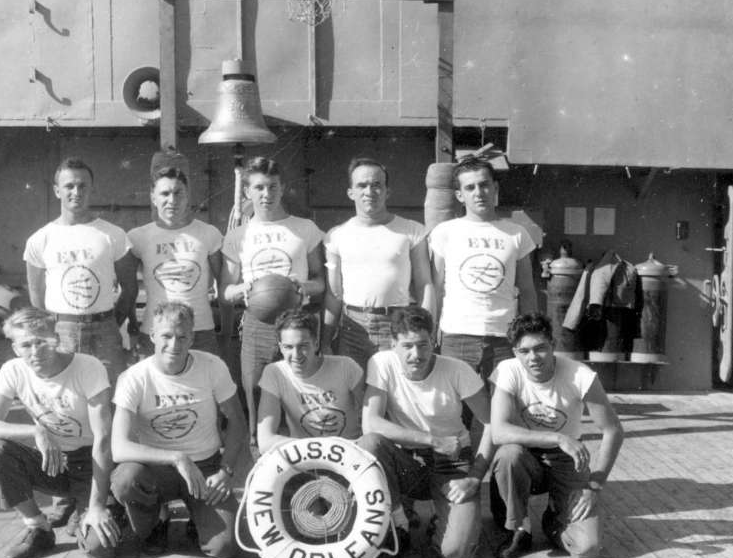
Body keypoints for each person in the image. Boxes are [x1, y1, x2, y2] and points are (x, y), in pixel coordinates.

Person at [23, 157, 133, 526]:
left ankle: (110, 492)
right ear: (56, 190)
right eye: (68, 185)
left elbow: (129, 288)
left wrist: (107, 322)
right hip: (62, 331)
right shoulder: (40, 240)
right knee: (63, 408)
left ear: (91, 188)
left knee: (109, 408)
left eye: (82, 185)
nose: (76, 192)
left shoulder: (112, 234)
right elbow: (37, 299)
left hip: (104, 329)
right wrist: (58, 330)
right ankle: (64, 494)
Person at [0, 308, 120, 558]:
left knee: (99, 549)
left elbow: (103, 439)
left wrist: (96, 507)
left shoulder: (88, 367)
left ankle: (89, 507)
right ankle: (38, 527)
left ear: (56, 338)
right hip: (56, 462)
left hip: (92, 462)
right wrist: (35, 430)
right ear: (15, 347)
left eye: (41, 342)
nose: (34, 352)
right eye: (26, 344)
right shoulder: (14, 370)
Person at [110, 302, 246, 558]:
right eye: (167, 336)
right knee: (126, 479)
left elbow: (238, 423)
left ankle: (198, 521)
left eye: (182, 337)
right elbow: (119, 447)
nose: (174, 344)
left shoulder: (212, 366)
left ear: (192, 337)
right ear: (152, 336)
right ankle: (155, 523)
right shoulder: (134, 377)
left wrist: (226, 471)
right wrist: (176, 457)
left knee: (225, 548)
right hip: (156, 469)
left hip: (204, 467)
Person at [359, 306, 495, 558]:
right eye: (407, 346)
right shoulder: (381, 362)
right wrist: (433, 440)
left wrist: (475, 478)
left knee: (457, 553)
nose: (416, 354)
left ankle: (440, 520)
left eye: (423, 345)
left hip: (451, 463)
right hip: (407, 462)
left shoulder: (458, 370)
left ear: (434, 341)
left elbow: (491, 424)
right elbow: (371, 424)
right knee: (370, 444)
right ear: (393, 344)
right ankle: (399, 520)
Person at [490, 313, 624, 558]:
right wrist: (558, 438)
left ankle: (554, 520)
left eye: (540, 348)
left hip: (567, 460)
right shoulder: (507, 371)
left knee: (588, 548)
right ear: (515, 352)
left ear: (552, 344)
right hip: (526, 455)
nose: (533, 358)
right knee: (508, 454)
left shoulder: (580, 375)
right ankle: (519, 528)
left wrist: (595, 485)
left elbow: (613, 430)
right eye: (524, 351)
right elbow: (499, 431)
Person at [220, 156, 325, 441]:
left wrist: (301, 286)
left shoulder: (305, 229)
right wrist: (246, 289)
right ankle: (260, 456)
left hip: (299, 322)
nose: (266, 194)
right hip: (257, 323)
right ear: (247, 193)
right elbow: (225, 291)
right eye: (259, 188)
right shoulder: (237, 235)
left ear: (282, 188)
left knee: (304, 393)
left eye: (273, 187)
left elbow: (320, 282)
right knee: (257, 397)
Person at [430, 157, 538, 382]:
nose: (478, 192)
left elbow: (527, 290)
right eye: (470, 187)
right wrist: (431, 331)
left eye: (484, 184)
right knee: (456, 409)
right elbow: (436, 288)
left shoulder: (517, 234)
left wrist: (530, 335)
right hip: (456, 336)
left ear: (495, 188)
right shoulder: (444, 232)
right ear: (460, 195)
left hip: (504, 337)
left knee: (500, 409)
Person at [322, 157, 435, 366]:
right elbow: (334, 294)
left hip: (397, 326)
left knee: (396, 394)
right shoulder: (336, 236)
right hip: (352, 328)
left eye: (376, 185)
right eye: (362, 185)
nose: (369, 191)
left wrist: (426, 329)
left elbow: (424, 284)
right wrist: (326, 341)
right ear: (351, 193)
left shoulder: (412, 231)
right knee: (354, 392)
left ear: (387, 191)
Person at [120, 165, 224, 355]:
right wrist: (133, 328)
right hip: (156, 333)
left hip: (200, 332)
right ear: (153, 197)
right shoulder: (138, 237)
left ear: (187, 195)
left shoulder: (208, 233)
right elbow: (128, 291)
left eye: (178, 193)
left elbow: (224, 286)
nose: (172, 200)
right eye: (165, 193)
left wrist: (224, 331)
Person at [256, 309, 364, 454]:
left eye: (303, 346)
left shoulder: (346, 367)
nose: (296, 355)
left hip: (348, 453)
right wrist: (319, 450)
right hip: (305, 456)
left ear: (316, 343)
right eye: (288, 347)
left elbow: (371, 424)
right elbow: (265, 442)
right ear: (280, 347)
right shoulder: (274, 373)